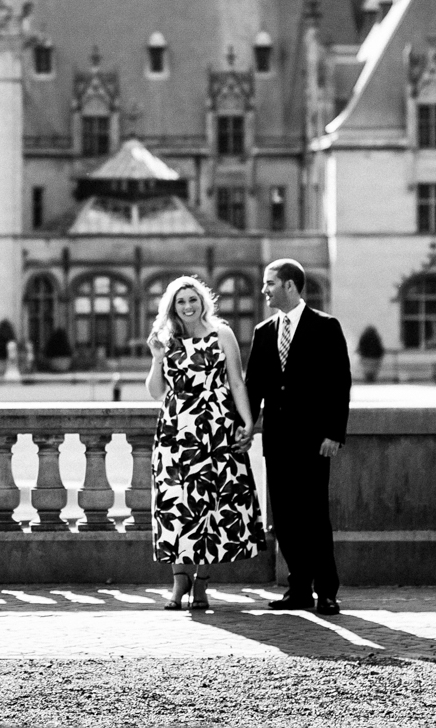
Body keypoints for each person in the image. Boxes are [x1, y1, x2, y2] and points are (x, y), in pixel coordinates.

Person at [143, 275, 267, 611]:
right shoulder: (165, 339)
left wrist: (248, 422)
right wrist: (156, 358)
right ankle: (178, 580)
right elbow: (156, 392)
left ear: (202, 302)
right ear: (172, 306)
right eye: (180, 302)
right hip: (176, 433)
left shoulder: (221, 333)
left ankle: (201, 583)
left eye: (192, 300)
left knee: (212, 504)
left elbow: (237, 383)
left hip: (216, 429)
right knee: (174, 503)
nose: (187, 307)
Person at [245, 258, 351, 615]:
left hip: (314, 443)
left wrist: (334, 433)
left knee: (315, 517)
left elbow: (339, 385)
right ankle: (299, 590)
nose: (264, 290)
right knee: (286, 520)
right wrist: (244, 426)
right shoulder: (263, 332)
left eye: (269, 283)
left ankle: (327, 592)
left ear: (290, 285)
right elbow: (253, 389)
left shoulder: (326, 326)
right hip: (276, 442)